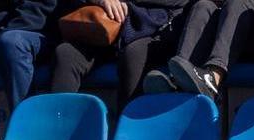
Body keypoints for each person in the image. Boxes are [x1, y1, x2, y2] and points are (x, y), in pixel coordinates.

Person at [50, 0, 191, 109]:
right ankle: (57, 127)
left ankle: (126, 137)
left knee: (134, 54)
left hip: (155, 26)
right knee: (67, 53)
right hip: (107, 24)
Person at [142, 0, 254, 100]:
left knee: (236, 3)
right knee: (203, 6)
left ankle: (213, 79)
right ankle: (179, 79)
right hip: (221, 30)